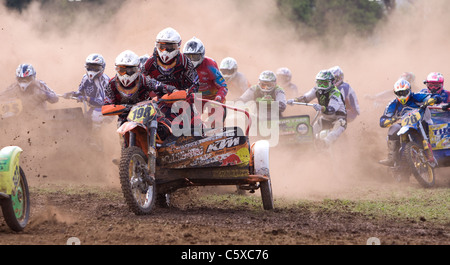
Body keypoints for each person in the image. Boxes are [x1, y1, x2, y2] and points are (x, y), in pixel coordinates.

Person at [379, 79, 443, 166]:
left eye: (404, 92)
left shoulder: (416, 96)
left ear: (409, 90)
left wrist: (432, 99)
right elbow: (383, 119)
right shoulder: (393, 104)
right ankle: (392, 157)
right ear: (395, 93)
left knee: (438, 129)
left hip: (423, 121)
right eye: (399, 93)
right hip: (405, 124)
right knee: (393, 128)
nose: (402, 95)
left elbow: (434, 97)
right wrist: (389, 121)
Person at [141, 27, 199, 122]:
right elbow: (141, 80)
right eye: (162, 47)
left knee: (194, 123)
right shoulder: (150, 62)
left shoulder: (184, 61)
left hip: (181, 100)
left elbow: (195, 81)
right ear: (156, 45)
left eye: (170, 48)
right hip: (159, 101)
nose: (165, 51)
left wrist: (191, 94)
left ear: (178, 47)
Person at [104, 49, 175, 126]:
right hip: (125, 118)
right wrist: (118, 108)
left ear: (138, 69)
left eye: (130, 70)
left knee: (164, 122)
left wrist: (173, 90)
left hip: (147, 113)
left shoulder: (143, 80)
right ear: (116, 69)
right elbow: (107, 105)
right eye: (122, 70)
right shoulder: (111, 84)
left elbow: (158, 85)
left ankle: (174, 135)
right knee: (122, 127)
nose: (126, 74)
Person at [288, 70, 347, 147]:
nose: (322, 86)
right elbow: (306, 98)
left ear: (332, 83)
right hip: (325, 119)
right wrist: (295, 100)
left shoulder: (335, 93)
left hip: (338, 119)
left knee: (335, 131)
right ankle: (304, 148)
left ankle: (325, 143)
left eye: (325, 83)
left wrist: (321, 108)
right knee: (310, 133)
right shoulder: (316, 89)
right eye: (319, 83)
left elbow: (331, 109)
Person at [183, 37, 228, 125]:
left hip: (213, 97)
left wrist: (218, 99)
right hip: (196, 97)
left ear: (201, 55)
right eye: (188, 57)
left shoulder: (209, 66)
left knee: (216, 120)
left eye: (195, 57)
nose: (191, 60)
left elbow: (223, 86)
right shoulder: (182, 64)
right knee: (187, 118)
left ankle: (218, 134)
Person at [62, 53, 110, 129]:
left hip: (108, 110)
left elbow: (104, 102)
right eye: (90, 67)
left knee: (96, 116)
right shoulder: (85, 78)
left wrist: (87, 98)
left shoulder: (104, 80)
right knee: (83, 121)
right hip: (94, 108)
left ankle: (98, 138)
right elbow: (80, 92)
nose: (92, 70)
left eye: (95, 67)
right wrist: (73, 94)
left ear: (102, 67)